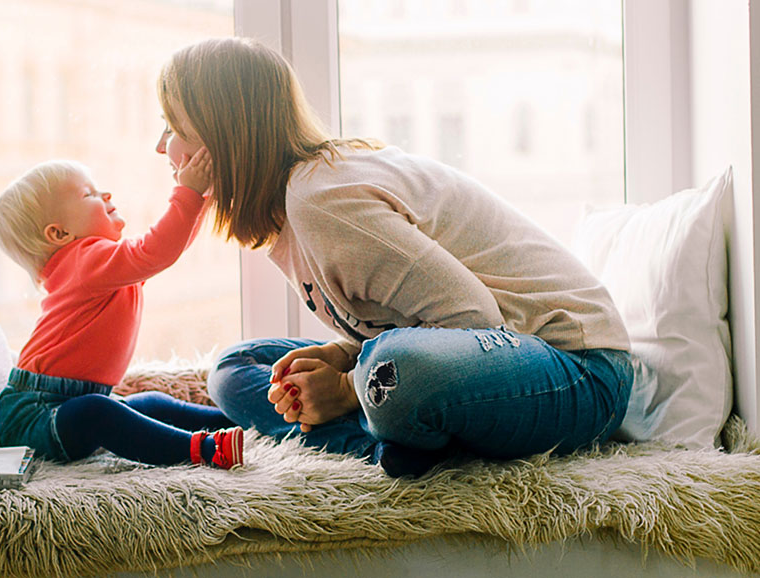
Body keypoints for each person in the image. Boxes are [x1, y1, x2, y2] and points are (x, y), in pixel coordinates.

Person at [155, 37, 635, 478]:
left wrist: (345, 388)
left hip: (578, 370)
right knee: (235, 368)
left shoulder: (322, 200)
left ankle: (387, 431)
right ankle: (396, 441)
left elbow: (475, 319)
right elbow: (409, 324)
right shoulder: (289, 213)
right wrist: (344, 357)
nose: (162, 146)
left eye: (174, 127)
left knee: (392, 369)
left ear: (225, 137)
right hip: (480, 360)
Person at [0, 153, 245, 470]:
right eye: (89, 194)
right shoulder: (85, 260)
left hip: (68, 401)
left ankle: (239, 420)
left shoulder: (99, 265)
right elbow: (158, 250)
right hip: (35, 415)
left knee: (151, 403)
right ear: (59, 234)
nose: (105, 194)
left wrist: (202, 199)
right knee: (97, 413)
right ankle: (203, 449)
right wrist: (190, 194)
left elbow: (167, 250)